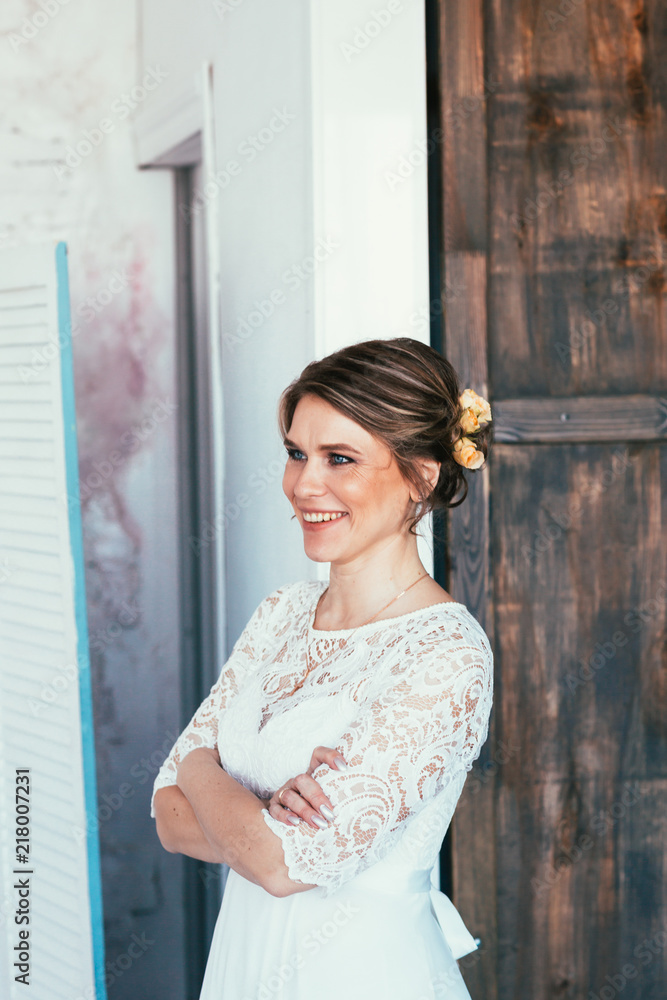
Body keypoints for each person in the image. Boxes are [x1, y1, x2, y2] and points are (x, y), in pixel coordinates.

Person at [151, 337, 494, 999]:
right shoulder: (281, 612)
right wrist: (251, 819)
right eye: (296, 453)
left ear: (420, 476)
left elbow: (281, 864)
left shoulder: (445, 654)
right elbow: (167, 819)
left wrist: (200, 767)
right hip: (242, 972)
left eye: (340, 458)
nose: (305, 484)